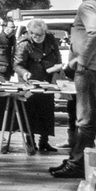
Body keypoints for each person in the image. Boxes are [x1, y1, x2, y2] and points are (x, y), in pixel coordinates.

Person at [53, 0, 96, 180]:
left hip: (91, 68)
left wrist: (82, 61)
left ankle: (77, 163)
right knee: (86, 118)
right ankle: (77, 158)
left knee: (84, 118)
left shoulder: (86, 7)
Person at [15, 19, 65, 153]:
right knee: (30, 111)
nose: (38, 38)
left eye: (41, 35)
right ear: (30, 33)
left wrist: (58, 65)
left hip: (47, 80)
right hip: (29, 82)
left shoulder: (50, 39)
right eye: (35, 35)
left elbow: (57, 54)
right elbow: (18, 64)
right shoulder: (24, 44)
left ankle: (44, 141)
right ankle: (30, 141)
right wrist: (24, 73)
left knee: (47, 111)